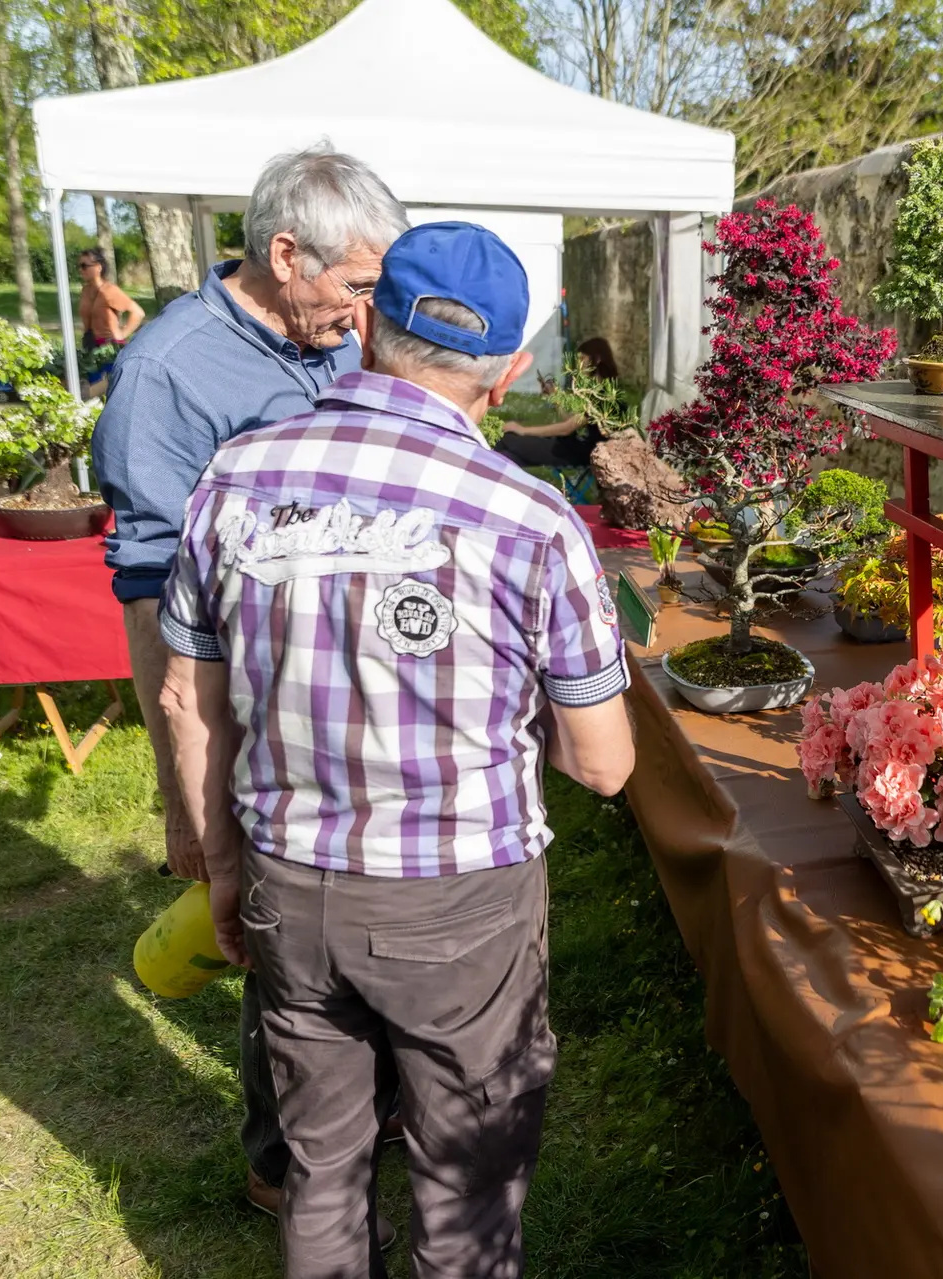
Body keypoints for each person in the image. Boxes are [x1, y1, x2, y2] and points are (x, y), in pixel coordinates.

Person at [157, 221, 636, 1277]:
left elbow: (189, 699)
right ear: (510, 370)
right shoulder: (532, 519)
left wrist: (224, 868)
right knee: (466, 1185)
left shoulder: (235, 475)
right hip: (460, 898)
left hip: (288, 876)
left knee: (321, 1163)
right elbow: (603, 764)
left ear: (367, 322)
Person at [90, 143, 408, 1220]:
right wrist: (184, 794)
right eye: (355, 283)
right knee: (280, 938)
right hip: (248, 711)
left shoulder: (334, 337)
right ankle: (284, 1163)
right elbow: (150, 597)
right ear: (283, 254)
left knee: (361, 913)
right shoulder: (167, 375)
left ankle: (372, 1106)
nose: (367, 311)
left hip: (350, 701)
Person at [495, 336, 618, 469]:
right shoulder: (597, 390)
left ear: (597, 359)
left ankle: (492, 472)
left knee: (508, 440)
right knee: (509, 450)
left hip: (577, 453)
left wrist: (522, 430)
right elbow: (571, 421)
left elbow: (567, 428)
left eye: (582, 359)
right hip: (571, 447)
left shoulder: (603, 395)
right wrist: (555, 399)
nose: (579, 365)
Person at [75, 249, 145, 395]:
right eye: (79, 266)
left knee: (102, 392)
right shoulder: (85, 290)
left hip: (108, 349)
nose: (81, 270)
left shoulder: (110, 291)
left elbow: (138, 313)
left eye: (84, 266)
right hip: (90, 347)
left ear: (98, 267)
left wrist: (122, 334)